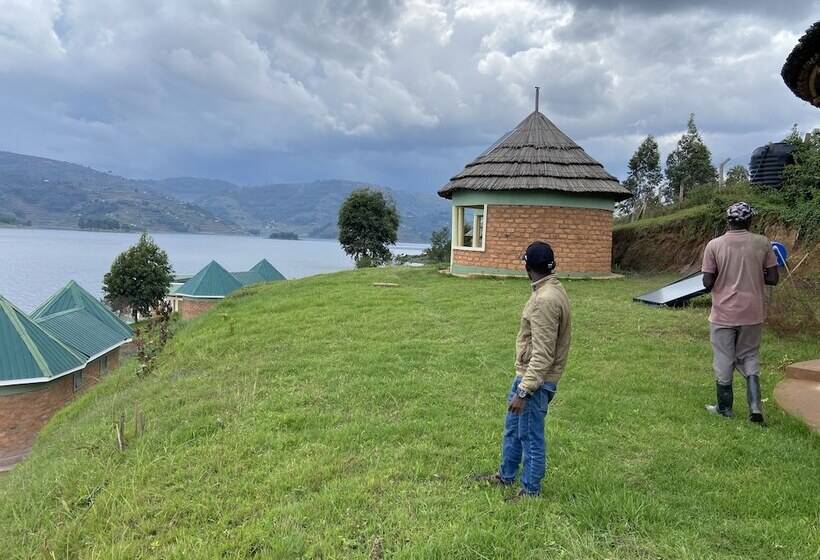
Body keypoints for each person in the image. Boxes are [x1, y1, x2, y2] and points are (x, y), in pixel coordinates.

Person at [474, 241, 572, 500]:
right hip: (527, 377)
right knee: (513, 430)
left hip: (534, 382)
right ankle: (505, 476)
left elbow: (543, 354)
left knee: (530, 436)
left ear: (527, 266)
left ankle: (530, 491)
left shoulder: (545, 300)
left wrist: (525, 390)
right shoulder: (552, 290)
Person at [702, 202, 779, 423]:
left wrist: (723, 277)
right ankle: (755, 407)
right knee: (750, 355)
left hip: (723, 314)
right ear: (749, 221)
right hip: (752, 313)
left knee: (724, 358)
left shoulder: (714, 245)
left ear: (728, 221)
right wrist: (753, 275)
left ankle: (724, 409)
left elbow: (707, 282)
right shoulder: (763, 243)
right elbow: (773, 278)